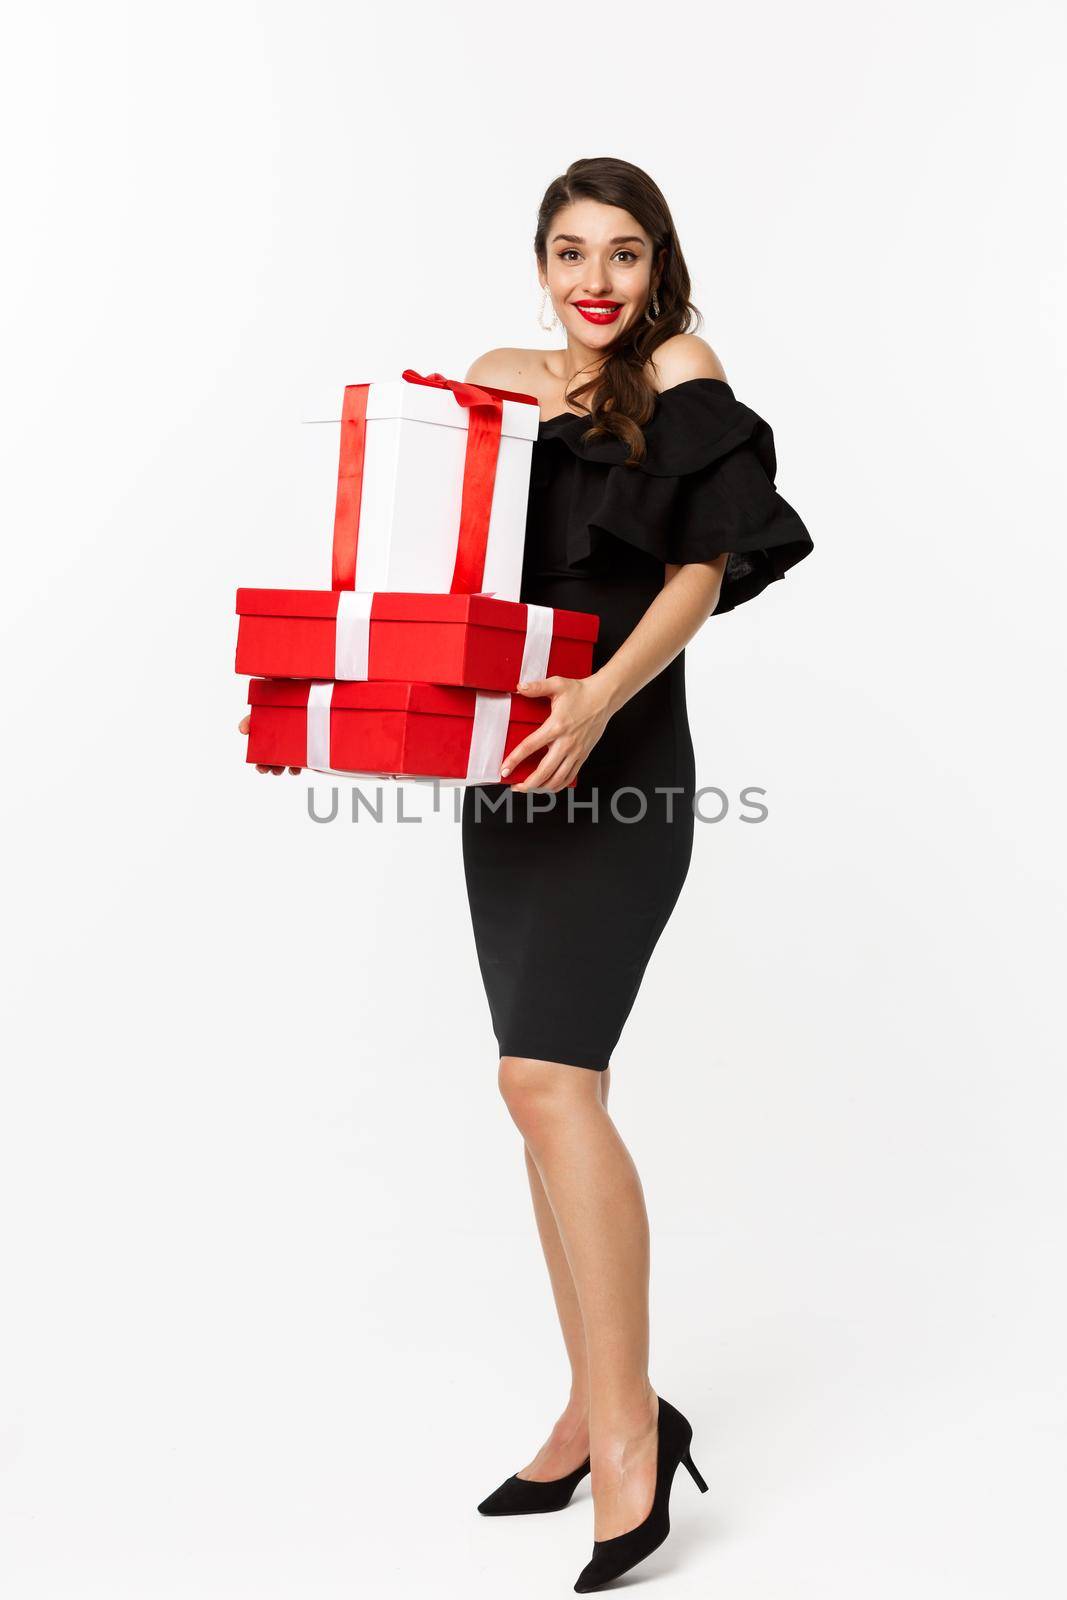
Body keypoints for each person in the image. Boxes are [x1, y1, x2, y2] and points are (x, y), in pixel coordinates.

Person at [239, 156, 813, 1592]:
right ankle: (590, 1404)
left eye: (623, 252)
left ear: (658, 261)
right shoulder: (504, 374)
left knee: (545, 1085)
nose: (597, 280)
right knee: (543, 1095)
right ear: (540, 261)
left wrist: (602, 698)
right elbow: (433, 543)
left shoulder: (681, 368)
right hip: (507, 777)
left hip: (616, 762)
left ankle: (628, 1433)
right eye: (571, 252)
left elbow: (705, 563)